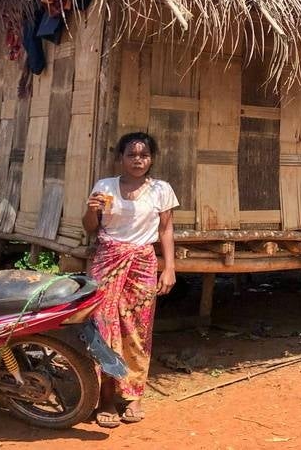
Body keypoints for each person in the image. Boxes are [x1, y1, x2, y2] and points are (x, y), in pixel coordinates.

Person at [82, 132, 178, 427]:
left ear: (152, 158)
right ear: (120, 157)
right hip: (107, 260)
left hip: (141, 264)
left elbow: (165, 231)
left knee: (138, 329)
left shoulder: (161, 190)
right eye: (132, 155)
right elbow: (89, 228)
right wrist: (91, 209)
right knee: (103, 327)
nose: (138, 160)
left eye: (144, 155)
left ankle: (134, 394)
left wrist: (169, 267)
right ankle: (105, 397)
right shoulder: (105, 187)